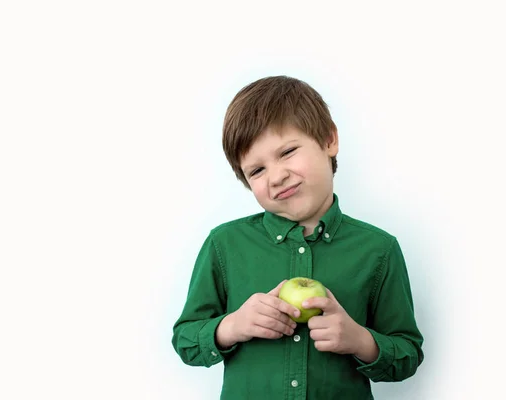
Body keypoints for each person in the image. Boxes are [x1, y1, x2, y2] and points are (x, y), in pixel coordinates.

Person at [171, 75, 424, 399]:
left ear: (329, 140)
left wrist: (360, 340)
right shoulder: (224, 244)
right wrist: (232, 326)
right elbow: (185, 340)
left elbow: (407, 355)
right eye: (257, 171)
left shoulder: (379, 250)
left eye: (288, 151)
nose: (276, 176)